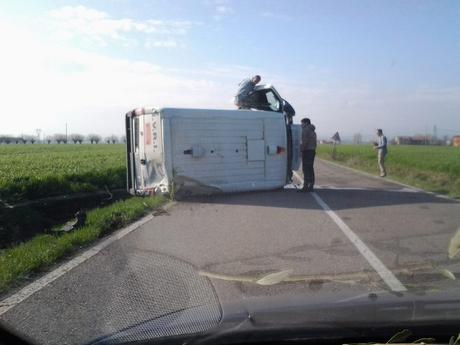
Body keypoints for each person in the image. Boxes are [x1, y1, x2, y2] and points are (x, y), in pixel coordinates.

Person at [299, 118, 317, 192]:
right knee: (310, 169)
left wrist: (301, 150)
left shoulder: (305, 130)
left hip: (307, 151)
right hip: (312, 151)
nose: (301, 125)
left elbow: (305, 142)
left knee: (306, 169)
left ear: (306, 123)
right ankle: (311, 186)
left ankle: (305, 186)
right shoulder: (313, 131)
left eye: (302, 123)